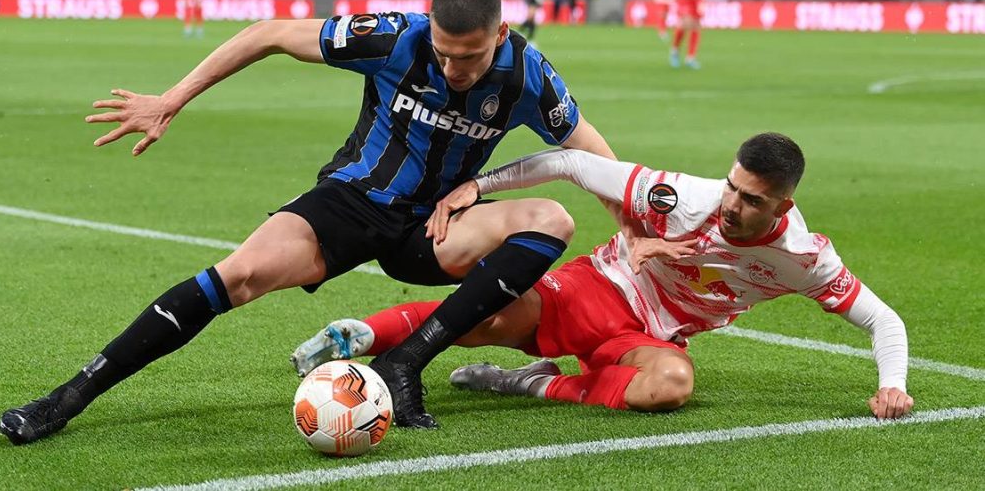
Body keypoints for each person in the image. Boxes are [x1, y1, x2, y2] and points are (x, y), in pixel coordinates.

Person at [0, 0, 619, 444]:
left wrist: (634, 225)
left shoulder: (528, 75)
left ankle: (406, 361)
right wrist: (173, 99)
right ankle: (69, 397)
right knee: (235, 277)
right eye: (445, 51)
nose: (455, 68)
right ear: (428, 26)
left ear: (502, 36)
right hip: (350, 202)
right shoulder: (393, 37)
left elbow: (586, 147)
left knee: (552, 220)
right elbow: (269, 34)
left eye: (471, 56)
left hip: (433, 225)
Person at [293, 133, 914, 420]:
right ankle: (358, 338)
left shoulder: (803, 258)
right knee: (488, 319)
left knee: (670, 386)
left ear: (782, 206)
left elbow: (882, 319)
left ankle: (529, 386)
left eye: (752, 200)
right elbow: (569, 161)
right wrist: (477, 187)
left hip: (650, 339)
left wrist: (893, 386)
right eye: (732, 186)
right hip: (605, 285)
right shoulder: (682, 196)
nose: (732, 204)